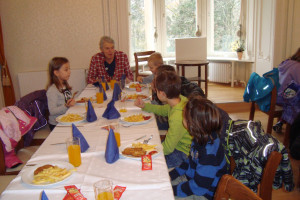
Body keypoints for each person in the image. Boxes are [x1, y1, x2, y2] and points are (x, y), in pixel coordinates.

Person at [169, 95, 228, 200]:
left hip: (206, 194)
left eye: (184, 116)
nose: (182, 118)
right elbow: (189, 161)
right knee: (161, 183)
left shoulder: (209, 155)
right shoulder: (200, 137)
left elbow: (199, 188)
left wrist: (171, 190)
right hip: (193, 181)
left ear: (192, 125)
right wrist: (172, 175)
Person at [134, 71, 192, 168]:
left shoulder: (178, 116)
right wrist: (145, 106)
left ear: (162, 93)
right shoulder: (179, 100)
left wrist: (150, 151)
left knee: (146, 163)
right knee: (146, 146)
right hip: (175, 146)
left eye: (156, 91)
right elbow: (162, 110)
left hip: (181, 153)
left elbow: (168, 148)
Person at [152, 65, 205, 131]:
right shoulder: (168, 91)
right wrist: (155, 91)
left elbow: (169, 115)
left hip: (187, 121)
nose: (154, 82)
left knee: (153, 123)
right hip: (175, 117)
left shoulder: (182, 90)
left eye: (156, 80)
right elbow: (163, 105)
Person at [273, 47, 300, 133]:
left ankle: (281, 122)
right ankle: (292, 129)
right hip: (285, 98)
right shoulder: (298, 67)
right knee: (297, 99)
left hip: (275, 95)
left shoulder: (286, 62)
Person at [46, 57, 76, 131]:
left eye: (69, 69)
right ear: (56, 73)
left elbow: (66, 100)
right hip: (56, 124)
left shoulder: (64, 85)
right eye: (66, 70)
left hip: (65, 119)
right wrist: (66, 106)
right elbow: (52, 111)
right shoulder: (52, 90)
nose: (69, 72)